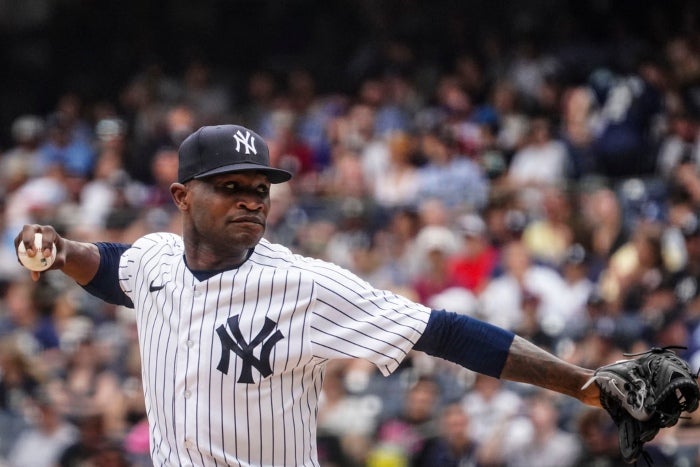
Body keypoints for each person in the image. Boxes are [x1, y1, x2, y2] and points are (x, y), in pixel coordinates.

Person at [15, 124, 602, 466]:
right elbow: (113, 269)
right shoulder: (155, 259)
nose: (253, 199)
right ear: (181, 197)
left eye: (260, 188)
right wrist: (62, 248)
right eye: (230, 187)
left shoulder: (307, 285)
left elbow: (445, 330)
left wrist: (581, 384)